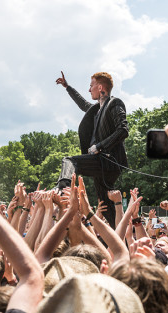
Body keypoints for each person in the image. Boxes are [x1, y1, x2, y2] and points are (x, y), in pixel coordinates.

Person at [55, 71, 129, 226]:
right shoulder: (96, 110)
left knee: (69, 161)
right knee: (106, 207)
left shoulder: (114, 104)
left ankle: (63, 189)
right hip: (101, 165)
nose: (89, 90)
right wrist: (67, 87)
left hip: (108, 160)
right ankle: (124, 245)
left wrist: (99, 146)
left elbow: (123, 130)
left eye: (91, 86)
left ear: (100, 87)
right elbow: (83, 104)